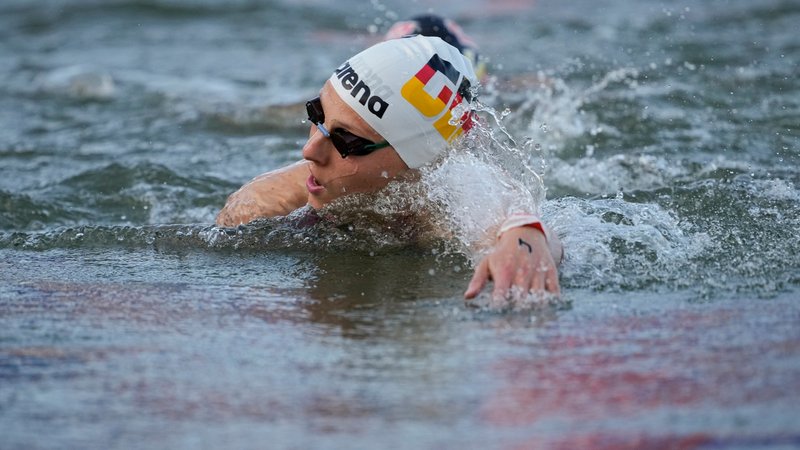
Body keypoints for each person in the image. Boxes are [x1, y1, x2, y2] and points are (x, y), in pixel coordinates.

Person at [215, 34, 563, 301]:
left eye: (346, 141)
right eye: (315, 115)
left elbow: (515, 221)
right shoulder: (267, 203)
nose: (309, 150)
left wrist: (526, 237)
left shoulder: (444, 197)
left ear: (416, 165)